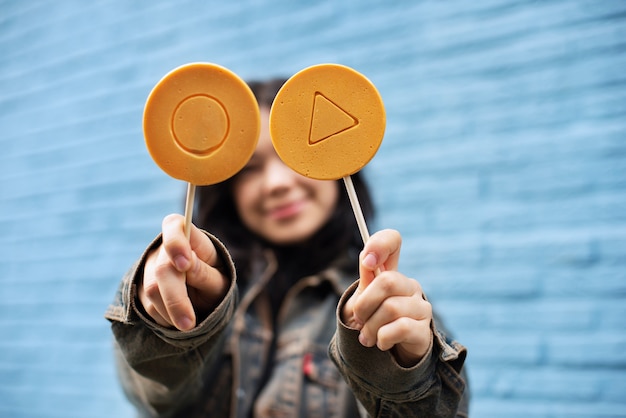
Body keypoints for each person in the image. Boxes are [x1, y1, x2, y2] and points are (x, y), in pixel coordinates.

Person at [105, 78, 469, 417]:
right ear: (226, 186)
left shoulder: (388, 304)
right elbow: (152, 395)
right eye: (250, 167)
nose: (277, 183)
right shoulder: (200, 290)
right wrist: (161, 326)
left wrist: (405, 371)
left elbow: (447, 408)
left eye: (293, 156)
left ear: (338, 161)